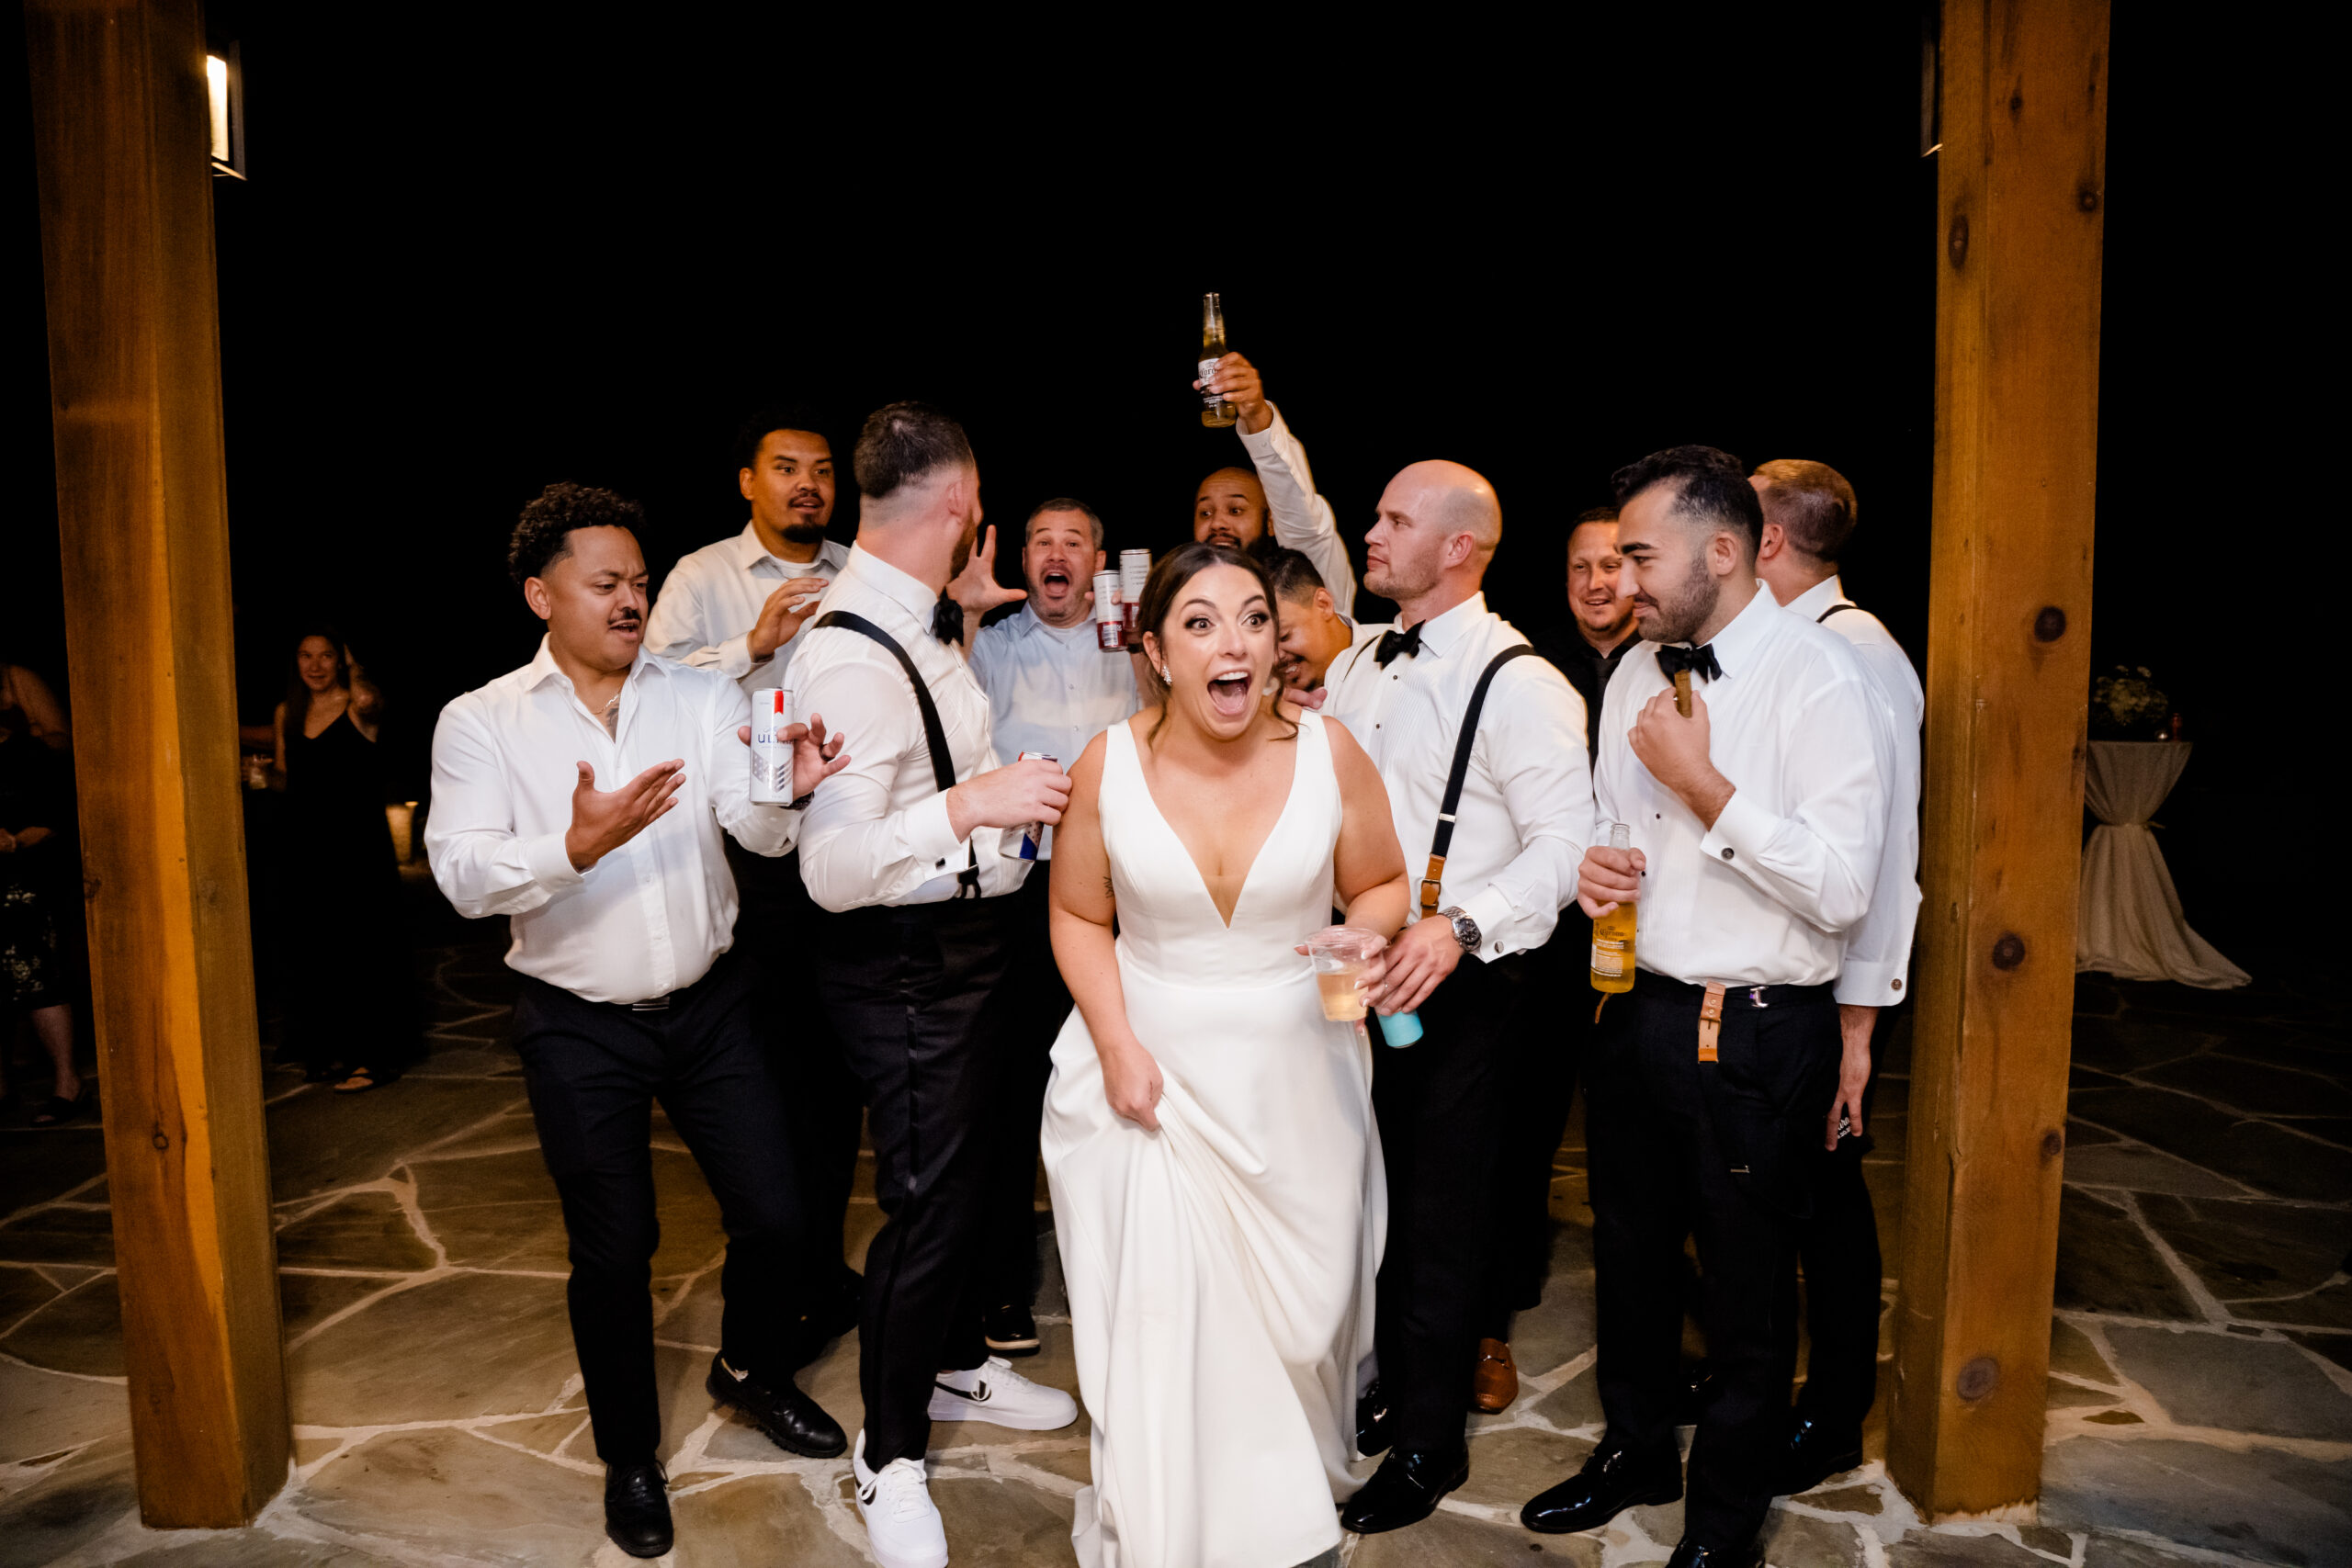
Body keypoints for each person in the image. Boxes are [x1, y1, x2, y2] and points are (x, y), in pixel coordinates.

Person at [425, 482, 854, 1560]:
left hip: (711, 1007)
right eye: (605, 583)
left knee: (782, 1216)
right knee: (615, 1252)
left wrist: (789, 790)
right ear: (542, 596)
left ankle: (752, 1369)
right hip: (578, 1025)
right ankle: (629, 1457)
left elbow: (754, 831)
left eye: (639, 582)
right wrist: (571, 848)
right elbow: (463, 876)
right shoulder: (482, 721)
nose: (631, 600)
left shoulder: (698, 696)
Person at [1519, 446, 1890, 1568]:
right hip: (1635, 1010)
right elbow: (1608, 823)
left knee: (1744, 1288)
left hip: (1758, 1025)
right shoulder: (1633, 671)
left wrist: (1705, 789)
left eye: (1640, 557)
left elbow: (1844, 887)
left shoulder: (1824, 679)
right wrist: (1598, 868)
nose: (1620, 580)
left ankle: (1724, 1524)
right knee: (1629, 1258)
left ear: (1722, 552)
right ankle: (1634, 1449)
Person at [1042, 541, 1410, 1568]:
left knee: (1299, 1324)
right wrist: (1116, 1044)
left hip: (1298, 1073)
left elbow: (1382, 884)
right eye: (1199, 623)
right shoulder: (1107, 764)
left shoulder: (1329, 753)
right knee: (1166, 1326)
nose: (1233, 642)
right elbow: (1077, 915)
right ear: (1157, 651)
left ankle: (1281, 1490)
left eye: (1251, 618)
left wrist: (1362, 934)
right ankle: (1171, 1530)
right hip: (1149, 1078)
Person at [786, 403, 1080, 1568]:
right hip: (907, 967)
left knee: (978, 1183)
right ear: (961, 501)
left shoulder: (917, 622)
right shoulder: (855, 656)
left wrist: (961, 626)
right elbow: (830, 870)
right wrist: (973, 805)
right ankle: (889, 1454)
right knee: (928, 1202)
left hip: (974, 946)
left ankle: (955, 1362)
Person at [1321, 462, 1595, 1534]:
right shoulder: (1357, 663)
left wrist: (1457, 927)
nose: (1372, 532)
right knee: (1366, 1198)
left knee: (1440, 1216)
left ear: (1457, 549)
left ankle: (1428, 1443)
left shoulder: (1520, 682)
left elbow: (1564, 849)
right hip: (1356, 972)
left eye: (1395, 520)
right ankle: (1390, 1381)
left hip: (1461, 985)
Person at [645, 406, 865, 1354]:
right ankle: (783, 1291)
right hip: (751, 852)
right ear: (748, 481)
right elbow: (646, 684)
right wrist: (752, 645)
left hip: (848, 838)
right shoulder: (702, 576)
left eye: (822, 469)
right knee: (773, 1079)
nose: (807, 484)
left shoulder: (860, 569)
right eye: (786, 467)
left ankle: (823, 1268)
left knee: (839, 1077)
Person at [1750, 457, 1922, 1494]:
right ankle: (1774, 1383)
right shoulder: (1784, 644)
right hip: (1799, 974)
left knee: (1827, 1193)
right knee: (1786, 1190)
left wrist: (1858, 1028)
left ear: (1768, 540)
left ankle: (1833, 1412)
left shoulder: (1854, 653)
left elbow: (1886, 858)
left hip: (1842, 985)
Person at [966, 497, 1147, 1359]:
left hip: (1125, 892)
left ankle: (1122, 1267)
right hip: (1019, 891)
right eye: (1043, 540)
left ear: (1098, 561)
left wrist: (1145, 650)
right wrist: (966, 618)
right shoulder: (994, 646)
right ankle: (1003, 1280)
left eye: (1075, 540)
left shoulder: (1134, 644)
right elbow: (947, 718)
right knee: (1008, 1091)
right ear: (1026, 561)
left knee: (1125, 1072)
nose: (1057, 552)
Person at [267, 630, 418, 1092]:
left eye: (326, 656)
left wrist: (356, 668)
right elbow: (285, 775)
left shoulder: (357, 705)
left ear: (340, 661)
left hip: (358, 845)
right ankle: (329, 1049)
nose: (315, 666)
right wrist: (259, 779)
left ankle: (374, 1057)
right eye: (305, 656)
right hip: (307, 846)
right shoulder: (287, 713)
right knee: (318, 948)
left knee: (363, 946)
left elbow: (370, 699)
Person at [1189, 355, 1358, 615]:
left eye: (1236, 510)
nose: (1217, 523)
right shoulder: (1183, 599)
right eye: (1205, 513)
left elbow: (1301, 518)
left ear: (1270, 521)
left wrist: (1256, 413)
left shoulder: (1303, 577)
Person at [1, 673, 82, 1124]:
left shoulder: (26, 752)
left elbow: (54, 818)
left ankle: (67, 1082)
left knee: (38, 979)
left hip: (23, 881)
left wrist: (14, 840)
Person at [1532, 507, 1641, 758]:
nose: (1594, 584)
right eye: (1580, 567)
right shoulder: (1532, 661)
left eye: (1610, 566)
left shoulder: (1674, 660)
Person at [1264, 547, 1356, 695]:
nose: (1275, 659)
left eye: (1284, 636)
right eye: (1265, 645)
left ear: (1324, 604)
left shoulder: (1394, 654)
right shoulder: (1259, 698)